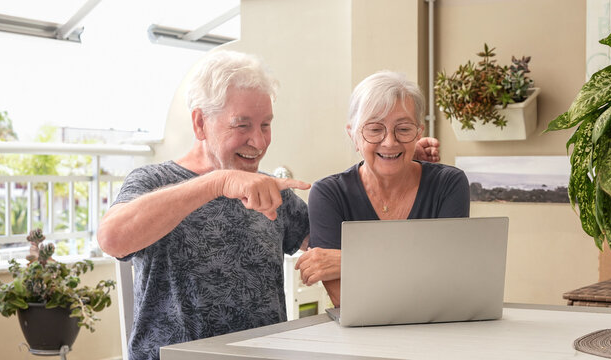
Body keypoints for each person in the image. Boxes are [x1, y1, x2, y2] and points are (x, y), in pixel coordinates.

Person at [98, 51, 441, 360]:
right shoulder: (154, 181)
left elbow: (351, 249)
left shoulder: (273, 192)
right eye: (242, 125)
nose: (259, 141)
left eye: (265, 125)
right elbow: (112, 239)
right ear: (200, 123)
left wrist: (395, 166)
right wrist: (217, 182)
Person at [295, 71, 470, 307]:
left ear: (419, 133)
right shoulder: (329, 194)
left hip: (438, 335)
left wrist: (351, 262)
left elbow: (449, 281)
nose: (390, 142)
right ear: (353, 135)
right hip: (359, 340)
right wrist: (422, 266)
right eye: (375, 129)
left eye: (404, 129)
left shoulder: (448, 184)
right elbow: (346, 299)